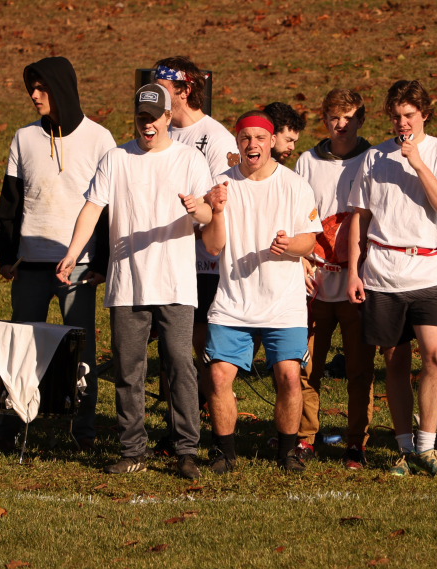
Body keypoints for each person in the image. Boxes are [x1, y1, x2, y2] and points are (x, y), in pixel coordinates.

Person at [56, 84, 214, 479]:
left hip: (175, 282)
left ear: (166, 118)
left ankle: (186, 450)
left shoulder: (189, 159)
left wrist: (200, 210)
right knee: (129, 369)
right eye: (141, 119)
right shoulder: (116, 158)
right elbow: (92, 209)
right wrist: (74, 251)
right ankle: (132, 450)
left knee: (179, 363)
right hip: (126, 284)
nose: (148, 126)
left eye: (154, 118)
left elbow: (211, 216)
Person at [0, 57, 116, 451]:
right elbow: (10, 201)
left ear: (61, 88)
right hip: (29, 265)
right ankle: (12, 427)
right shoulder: (23, 137)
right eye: (31, 87)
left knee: (81, 350)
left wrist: (100, 263)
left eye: (42, 88)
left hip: (78, 268)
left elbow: (111, 207)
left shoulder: (100, 139)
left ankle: (83, 431)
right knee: (20, 347)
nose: (34, 95)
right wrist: (6, 255)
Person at [346, 80, 437, 479]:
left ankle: (428, 447)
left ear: (424, 114)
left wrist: (418, 164)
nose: (402, 123)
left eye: (409, 115)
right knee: (395, 360)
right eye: (396, 116)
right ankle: (402, 448)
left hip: (428, 269)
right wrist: (353, 271)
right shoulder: (374, 157)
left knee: (435, 355)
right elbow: (359, 218)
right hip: (382, 270)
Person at [201, 110, 321, 474]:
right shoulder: (221, 185)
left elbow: (311, 240)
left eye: (259, 138)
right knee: (219, 376)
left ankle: (287, 450)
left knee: (287, 374)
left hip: (283, 303)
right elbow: (211, 247)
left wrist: (291, 245)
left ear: (271, 142)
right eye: (245, 138)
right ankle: (225, 452)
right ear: (237, 143)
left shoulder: (294, 184)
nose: (252, 145)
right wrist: (217, 212)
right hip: (233, 302)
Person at [157, 56, 240, 452]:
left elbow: (220, 201)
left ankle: (207, 426)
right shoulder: (160, 132)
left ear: (185, 90)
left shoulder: (215, 137)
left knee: (200, 347)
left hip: (205, 264)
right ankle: (177, 426)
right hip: (166, 260)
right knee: (171, 350)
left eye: (163, 87)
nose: (155, 94)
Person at [293, 89, 375, 468]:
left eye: (348, 118)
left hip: (360, 279)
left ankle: (357, 441)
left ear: (360, 120)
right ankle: (304, 437)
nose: (340, 125)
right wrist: (301, 263)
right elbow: (294, 213)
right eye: (333, 118)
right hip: (315, 277)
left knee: (359, 369)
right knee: (307, 366)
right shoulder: (307, 161)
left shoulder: (375, 159)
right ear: (323, 120)